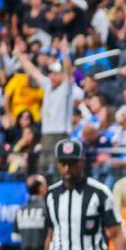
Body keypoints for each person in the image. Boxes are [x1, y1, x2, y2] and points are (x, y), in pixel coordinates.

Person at [18, 40, 84, 175]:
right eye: (51, 73)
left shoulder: (66, 87)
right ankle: (43, 194)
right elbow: (33, 71)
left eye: (56, 73)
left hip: (61, 134)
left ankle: (61, 193)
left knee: (60, 167)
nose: (52, 76)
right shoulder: (48, 85)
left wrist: (64, 52)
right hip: (47, 134)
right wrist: (19, 55)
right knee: (43, 167)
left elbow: (68, 71)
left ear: (61, 74)